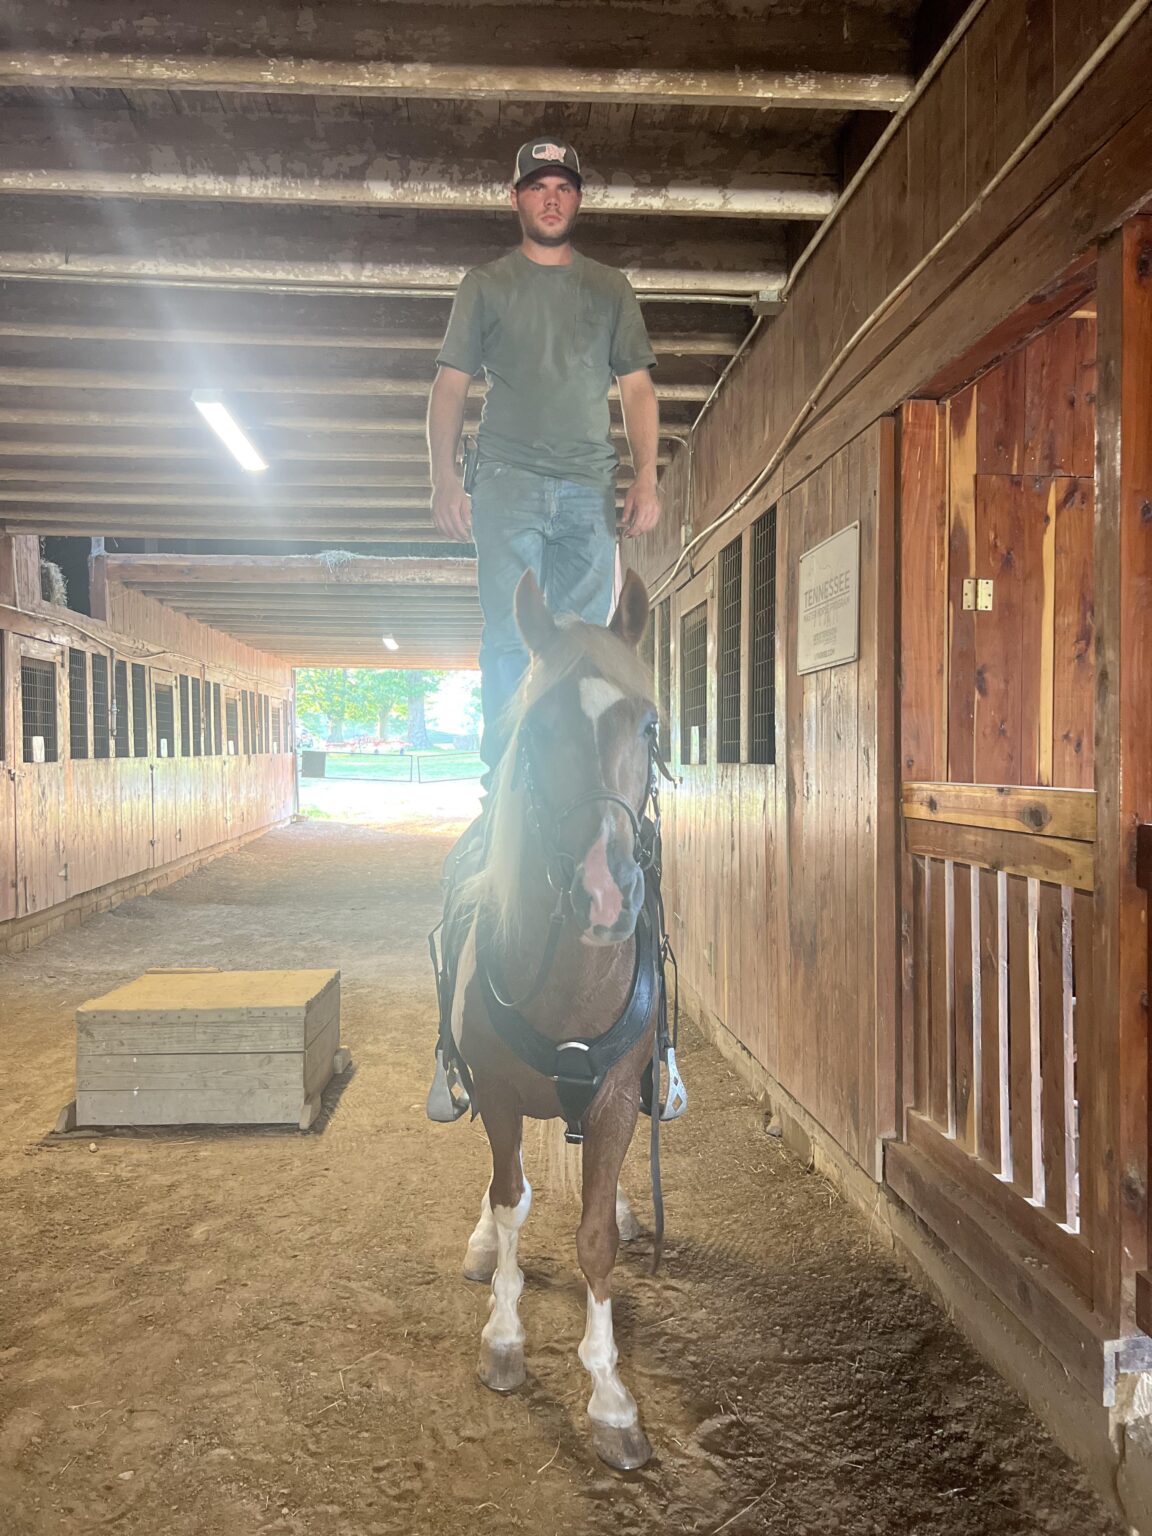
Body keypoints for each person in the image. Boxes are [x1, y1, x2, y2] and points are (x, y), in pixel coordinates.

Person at [427, 137, 662, 785]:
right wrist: (443, 477)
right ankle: (503, 782)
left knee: (585, 641)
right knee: (510, 636)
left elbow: (637, 388)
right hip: (507, 482)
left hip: (590, 486)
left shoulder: (609, 289)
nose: (551, 199)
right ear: (516, 198)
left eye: (563, 187)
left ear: (578, 199)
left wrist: (646, 474)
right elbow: (450, 385)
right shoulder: (487, 285)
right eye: (538, 187)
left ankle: (579, 781)